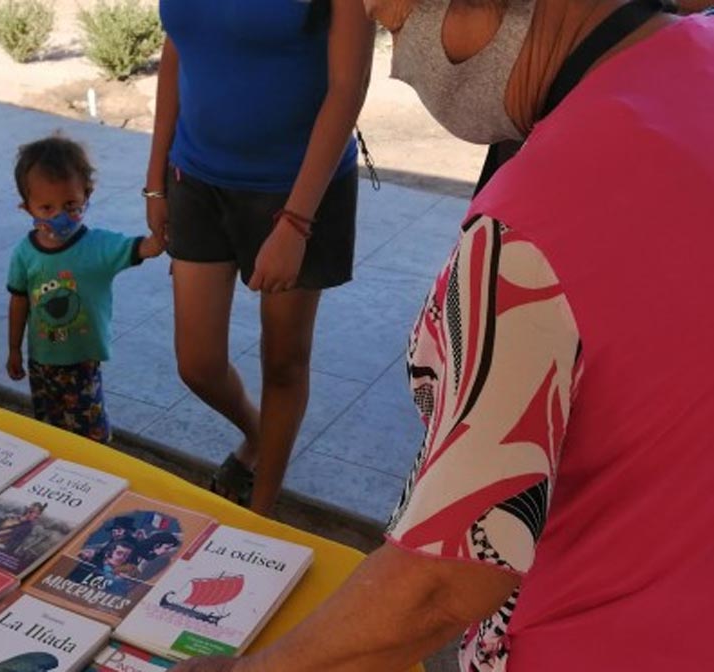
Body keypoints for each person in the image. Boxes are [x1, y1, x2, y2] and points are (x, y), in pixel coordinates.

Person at [172, 1, 714, 671]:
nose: (400, 64)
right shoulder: (698, 50)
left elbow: (442, 583)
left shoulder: (528, 229)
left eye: (393, 22)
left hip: (598, 634)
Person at [146, 0, 375, 513]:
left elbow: (348, 87)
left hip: (297, 191)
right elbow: (179, 46)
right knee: (197, 363)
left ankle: (262, 508)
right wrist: (154, 179)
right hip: (196, 175)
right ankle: (259, 437)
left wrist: (296, 223)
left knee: (284, 361)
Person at [6, 136, 163, 442]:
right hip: (41, 361)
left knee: (91, 434)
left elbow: (145, 248)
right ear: (27, 208)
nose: (59, 216)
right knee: (49, 431)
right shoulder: (24, 253)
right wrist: (13, 348)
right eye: (46, 207)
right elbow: (19, 302)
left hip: (82, 360)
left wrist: (164, 233)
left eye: (70, 205)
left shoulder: (99, 246)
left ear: (87, 195)